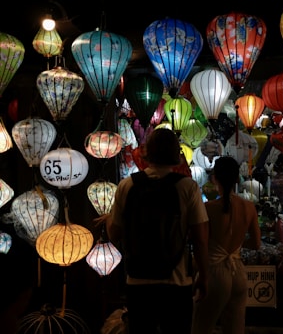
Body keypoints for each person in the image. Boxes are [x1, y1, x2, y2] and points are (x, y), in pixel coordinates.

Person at [105, 128, 209, 334]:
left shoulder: (127, 186)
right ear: (176, 154)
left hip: (137, 281)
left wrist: (111, 217)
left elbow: (113, 234)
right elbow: (200, 238)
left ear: (147, 153)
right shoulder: (188, 187)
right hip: (177, 282)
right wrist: (204, 276)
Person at [191, 155, 261, 334]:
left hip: (214, 273)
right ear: (237, 178)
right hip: (238, 272)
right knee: (236, 329)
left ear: (214, 178)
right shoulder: (248, 207)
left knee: (201, 327)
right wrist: (235, 245)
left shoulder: (208, 208)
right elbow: (256, 244)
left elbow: (201, 242)